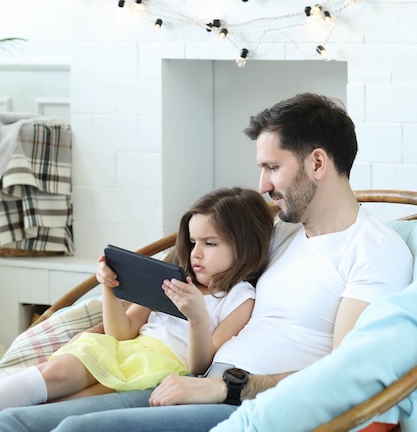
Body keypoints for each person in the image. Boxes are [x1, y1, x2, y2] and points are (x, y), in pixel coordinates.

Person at [0, 93, 413, 432]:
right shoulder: (281, 234)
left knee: (74, 431)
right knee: (17, 421)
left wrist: (228, 389)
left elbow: (344, 377)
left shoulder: (373, 251)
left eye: (272, 167)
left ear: (318, 163)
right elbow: (195, 265)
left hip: (247, 404)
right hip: (187, 379)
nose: (263, 185)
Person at [0, 187, 274, 410]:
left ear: (245, 246)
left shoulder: (240, 298)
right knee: (55, 372)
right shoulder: (174, 278)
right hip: (123, 350)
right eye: (192, 242)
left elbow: (201, 366)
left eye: (209, 243)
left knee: (60, 406)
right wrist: (109, 287)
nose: (195, 253)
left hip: (159, 367)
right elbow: (121, 332)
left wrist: (197, 317)